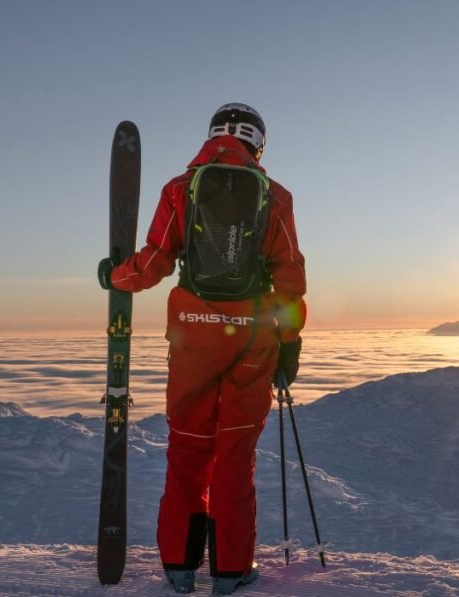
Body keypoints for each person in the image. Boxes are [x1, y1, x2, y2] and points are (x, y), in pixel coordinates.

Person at [98, 103, 306, 595]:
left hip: (192, 338)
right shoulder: (275, 196)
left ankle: (178, 566)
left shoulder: (179, 189)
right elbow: (289, 279)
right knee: (235, 458)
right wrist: (289, 346)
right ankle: (231, 571)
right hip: (252, 344)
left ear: (211, 136)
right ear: (258, 143)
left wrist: (115, 275)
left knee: (188, 455)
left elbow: (154, 262)